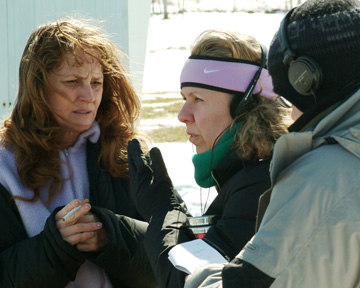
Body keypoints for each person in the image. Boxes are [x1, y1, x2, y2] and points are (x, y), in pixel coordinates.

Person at [184, 0, 360, 287]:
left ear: (306, 79)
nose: (288, 111)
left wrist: (163, 218)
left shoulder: (324, 179)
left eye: (198, 98)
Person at [0, 17, 158, 287]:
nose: (88, 95)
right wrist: (56, 246)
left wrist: (109, 235)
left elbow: (174, 251)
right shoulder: (5, 166)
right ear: (39, 87)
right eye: (73, 82)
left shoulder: (127, 152)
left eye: (96, 82)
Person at [127, 29, 291, 288]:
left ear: (246, 108)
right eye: (184, 98)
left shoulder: (261, 187)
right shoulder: (246, 174)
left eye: (198, 99)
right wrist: (111, 231)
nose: (183, 114)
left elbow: (190, 281)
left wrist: (163, 211)